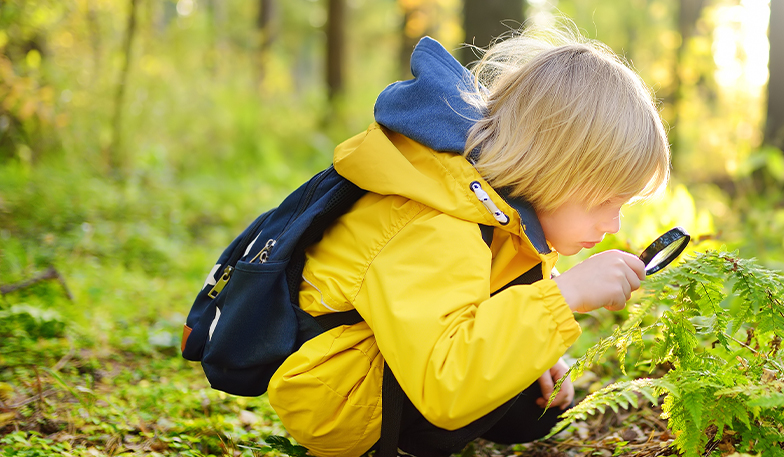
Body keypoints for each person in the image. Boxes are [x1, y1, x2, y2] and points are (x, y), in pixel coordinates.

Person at [267, 24, 671, 457]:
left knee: (536, 404)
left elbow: (469, 302)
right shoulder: (435, 221)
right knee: (492, 387)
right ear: (552, 170)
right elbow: (445, 379)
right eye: (605, 201)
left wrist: (536, 349)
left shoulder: (498, 212)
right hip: (342, 398)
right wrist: (561, 296)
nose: (613, 224)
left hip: (400, 366)